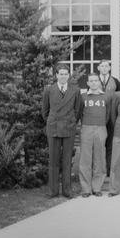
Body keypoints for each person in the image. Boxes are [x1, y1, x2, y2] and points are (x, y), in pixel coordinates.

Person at [41, 64, 82, 198]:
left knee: (66, 160)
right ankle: (53, 191)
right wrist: (52, 121)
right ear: (56, 75)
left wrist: (71, 121)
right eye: (61, 74)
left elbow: (78, 110)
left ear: (68, 75)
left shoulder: (75, 90)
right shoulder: (49, 90)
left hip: (69, 127)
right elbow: (45, 111)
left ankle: (67, 190)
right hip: (53, 127)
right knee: (53, 160)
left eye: (65, 74)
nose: (63, 76)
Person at [78, 73, 111, 197]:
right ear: (87, 83)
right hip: (86, 127)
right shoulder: (83, 97)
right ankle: (86, 188)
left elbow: (108, 114)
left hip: (101, 128)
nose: (93, 83)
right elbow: (80, 113)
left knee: (100, 158)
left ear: (99, 82)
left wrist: (101, 124)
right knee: (85, 159)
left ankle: (97, 187)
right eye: (91, 81)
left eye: (96, 80)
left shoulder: (106, 97)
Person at [97, 59, 120, 177]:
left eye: (106, 66)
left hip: (112, 117)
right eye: (102, 66)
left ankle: (108, 170)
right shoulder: (93, 80)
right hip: (98, 117)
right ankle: (98, 170)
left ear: (109, 68)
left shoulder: (115, 81)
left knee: (110, 144)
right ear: (98, 68)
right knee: (98, 144)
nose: (104, 68)